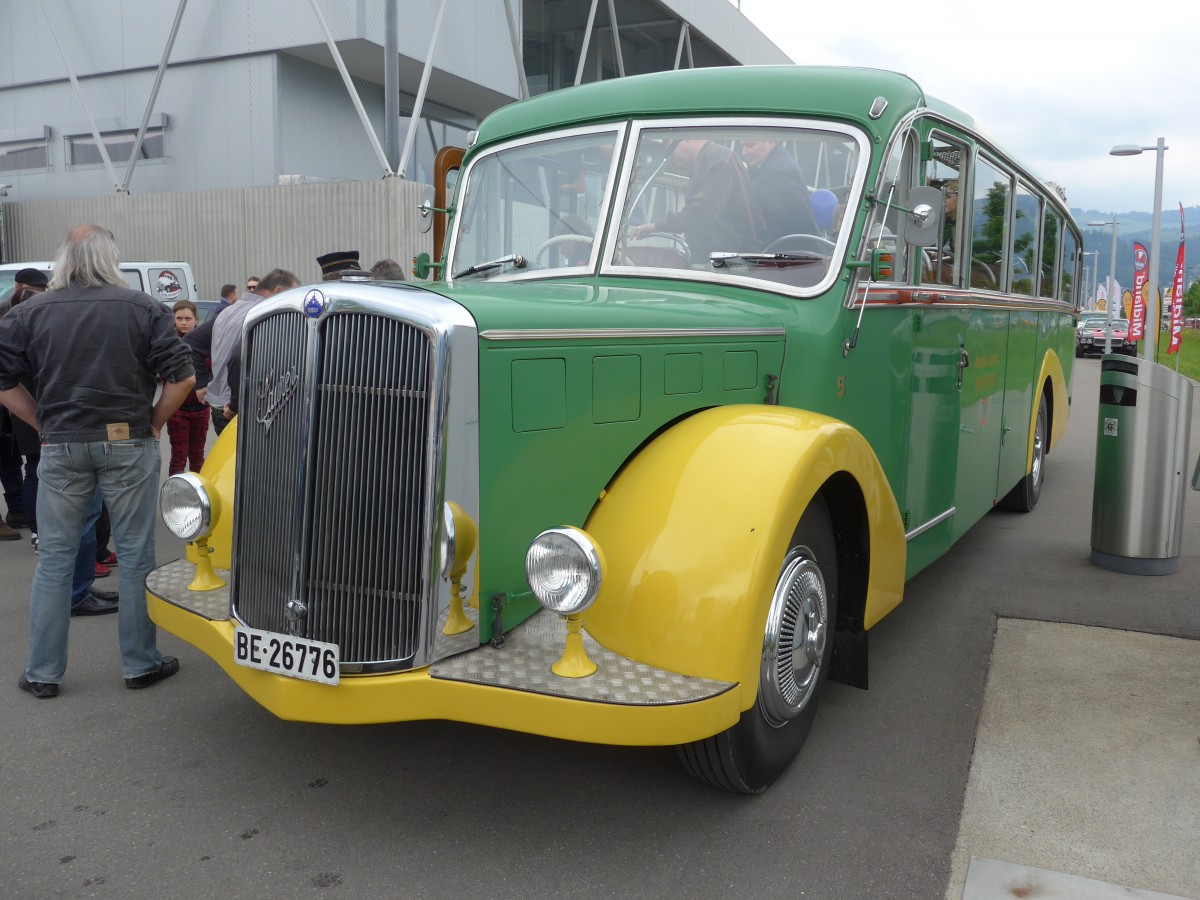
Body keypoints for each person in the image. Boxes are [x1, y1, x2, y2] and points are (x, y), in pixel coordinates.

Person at [0, 224, 196, 699]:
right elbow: (184, 378)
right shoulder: (143, 307)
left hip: (61, 444)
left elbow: (3, 380)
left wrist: (42, 422)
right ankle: (141, 662)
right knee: (136, 554)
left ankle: (43, 672)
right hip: (127, 440)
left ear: (63, 260)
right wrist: (152, 422)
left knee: (55, 560)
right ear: (112, 259)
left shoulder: (29, 312)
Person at [629, 139, 764, 262]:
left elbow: (699, 213)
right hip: (723, 258)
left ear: (686, 140)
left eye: (670, 151)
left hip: (732, 261)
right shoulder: (708, 161)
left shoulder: (718, 161)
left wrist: (654, 227)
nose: (669, 159)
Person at [204, 268, 299, 435]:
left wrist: (200, 382)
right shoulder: (261, 314)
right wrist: (236, 404)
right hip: (237, 407)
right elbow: (237, 358)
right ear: (278, 291)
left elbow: (193, 342)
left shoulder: (228, 311)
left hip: (218, 404)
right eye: (291, 295)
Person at [738, 139, 819, 245]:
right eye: (743, 146)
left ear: (771, 142)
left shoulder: (778, 174)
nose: (744, 152)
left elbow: (782, 228)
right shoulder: (771, 164)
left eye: (750, 145)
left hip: (788, 251)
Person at [165, 299, 209, 475]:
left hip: (201, 408)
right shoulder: (168, 343)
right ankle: (174, 490)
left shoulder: (205, 341)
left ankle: (197, 490)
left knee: (197, 456)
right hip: (177, 409)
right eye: (179, 318)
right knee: (178, 456)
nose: (183, 322)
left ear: (196, 319)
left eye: (188, 318)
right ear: (173, 319)